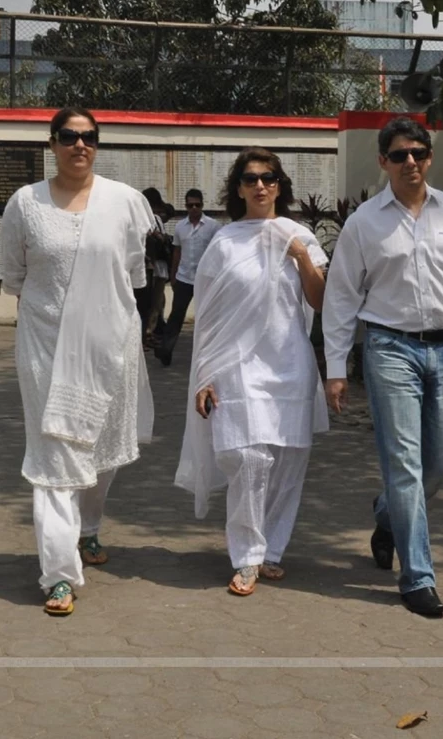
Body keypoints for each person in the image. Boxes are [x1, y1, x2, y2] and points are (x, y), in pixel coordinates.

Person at [322, 116, 443, 618]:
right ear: (382, 161)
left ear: (430, 157)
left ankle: (386, 518)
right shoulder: (365, 222)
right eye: (400, 154)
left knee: (440, 462)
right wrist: (335, 367)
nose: (411, 162)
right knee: (404, 463)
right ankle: (417, 576)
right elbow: (340, 298)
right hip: (389, 350)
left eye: (419, 153)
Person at [1, 107, 155, 616]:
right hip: (46, 348)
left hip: (110, 347)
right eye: (68, 136)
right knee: (55, 459)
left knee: (101, 449)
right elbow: (16, 277)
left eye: (88, 137)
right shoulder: (24, 204)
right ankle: (59, 575)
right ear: (52, 143)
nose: (79, 145)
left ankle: (88, 529)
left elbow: (133, 275)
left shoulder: (126, 202)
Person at [175, 147, 329, 596]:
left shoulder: (300, 235)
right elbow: (208, 316)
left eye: (268, 177)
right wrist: (203, 375)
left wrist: (299, 255)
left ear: (280, 184)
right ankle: (245, 556)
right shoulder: (223, 243)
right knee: (246, 458)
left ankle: (270, 552)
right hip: (236, 366)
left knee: (287, 462)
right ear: (238, 188)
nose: (259, 185)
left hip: (289, 363)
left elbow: (321, 301)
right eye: (250, 178)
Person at [154, 188, 220, 366]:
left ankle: (208, 356)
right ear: (186, 206)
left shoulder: (213, 226)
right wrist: (173, 275)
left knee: (206, 317)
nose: (194, 208)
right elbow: (177, 251)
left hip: (206, 278)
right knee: (176, 316)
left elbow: (217, 252)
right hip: (184, 278)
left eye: (197, 205)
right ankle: (166, 351)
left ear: (202, 205)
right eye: (190, 205)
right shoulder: (180, 226)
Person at [141, 187, 172, 344]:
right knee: (155, 302)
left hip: (146, 266)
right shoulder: (156, 219)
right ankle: (149, 333)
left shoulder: (140, 218)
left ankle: (146, 334)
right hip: (157, 266)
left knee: (148, 302)